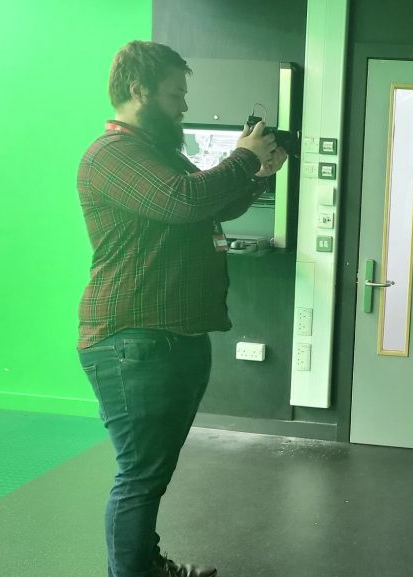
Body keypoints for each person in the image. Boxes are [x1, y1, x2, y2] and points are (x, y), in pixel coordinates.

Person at [76, 41, 287, 577]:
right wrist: (242, 156)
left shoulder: (159, 153)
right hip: (131, 340)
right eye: (176, 94)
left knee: (153, 474)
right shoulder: (111, 155)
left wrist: (260, 173)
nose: (184, 106)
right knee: (140, 476)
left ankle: (146, 565)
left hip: (168, 337)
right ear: (138, 90)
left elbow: (212, 201)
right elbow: (183, 200)